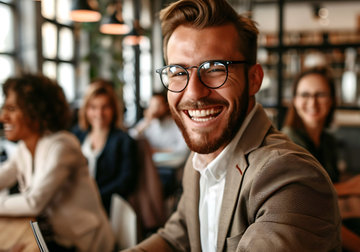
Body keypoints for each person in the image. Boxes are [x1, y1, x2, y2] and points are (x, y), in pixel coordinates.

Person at [125, 0, 341, 251]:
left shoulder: (288, 175)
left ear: (254, 79)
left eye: (215, 68)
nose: (194, 92)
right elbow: (177, 238)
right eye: (178, 71)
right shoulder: (200, 160)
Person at [282, 67, 360, 252]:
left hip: (325, 221)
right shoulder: (289, 141)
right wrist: (351, 187)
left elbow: (328, 194)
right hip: (303, 230)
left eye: (320, 94)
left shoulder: (327, 141)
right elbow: (305, 197)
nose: (312, 102)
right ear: (295, 101)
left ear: (332, 100)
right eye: (304, 95)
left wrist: (359, 191)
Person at [0, 74, 114, 251]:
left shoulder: (62, 146)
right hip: (52, 237)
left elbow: (34, 202)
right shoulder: (24, 148)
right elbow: (4, 175)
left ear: (35, 112)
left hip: (82, 243)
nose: (3, 117)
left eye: (12, 109)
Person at [72, 79, 137, 214]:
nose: (99, 113)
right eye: (93, 107)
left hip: (109, 209)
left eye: (105, 107)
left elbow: (125, 182)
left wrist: (94, 198)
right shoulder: (76, 135)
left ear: (114, 109)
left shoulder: (124, 141)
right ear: (85, 110)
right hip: (76, 204)